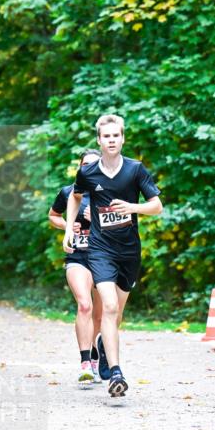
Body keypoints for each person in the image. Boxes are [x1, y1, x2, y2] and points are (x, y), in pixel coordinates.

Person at [63, 114, 163, 397]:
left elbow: (157, 206)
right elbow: (74, 196)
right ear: (99, 139)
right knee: (106, 307)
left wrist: (132, 207)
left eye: (116, 136)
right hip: (100, 250)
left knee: (116, 313)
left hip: (129, 251)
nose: (111, 140)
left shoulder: (135, 170)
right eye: (106, 136)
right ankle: (116, 374)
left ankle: (106, 351)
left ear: (122, 138)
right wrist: (69, 228)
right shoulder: (88, 172)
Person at [49, 149, 103, 385]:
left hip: (104, 257)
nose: (89, 168)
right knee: (84, 305)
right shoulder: (69, 192)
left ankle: (94, 355)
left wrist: (100, 218)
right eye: (86, 165)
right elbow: (53, 216)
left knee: (101, 315)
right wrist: (68, 228)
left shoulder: (109, 192)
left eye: (94, 164)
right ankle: (84, 363)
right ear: (80, 167)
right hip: (78, 257)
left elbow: (126, 221)